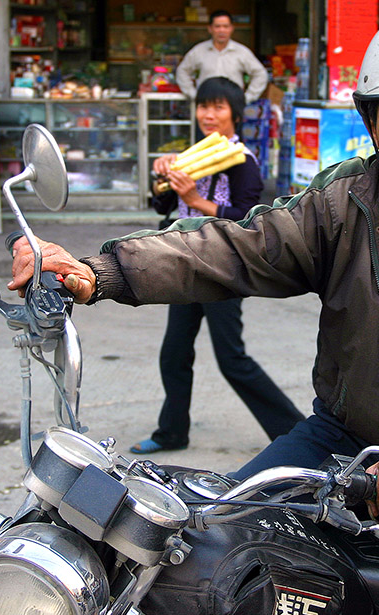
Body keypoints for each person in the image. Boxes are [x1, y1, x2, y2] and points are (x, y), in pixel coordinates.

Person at [10, 13, 379, 615]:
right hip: (347, 433)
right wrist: (99, 271)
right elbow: (236, 246)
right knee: (200, 548)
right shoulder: (342, 199)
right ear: (373, 122)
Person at [133, 77, 304, 454]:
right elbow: (165, 207)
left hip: (224, 266)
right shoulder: (192, 154)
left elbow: (249, 217)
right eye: (203, 106)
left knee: (232, 359)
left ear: (235, 115)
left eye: (218, 107)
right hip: (182, 261)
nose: (209, 114)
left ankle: (297, 434)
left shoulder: (243, 161)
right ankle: (172, 432)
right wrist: (163, 179)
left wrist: (196, 198)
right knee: (174, 352)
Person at [175, 10, 268, 105]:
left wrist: (247, 97)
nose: (222, 30)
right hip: (207, 104)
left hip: (233, 105)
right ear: (210, 29)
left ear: (231, 28)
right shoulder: (199, 51)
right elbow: (182, 71)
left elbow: (260, 74)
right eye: (217, 26)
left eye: (226, 26)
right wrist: (193, 95)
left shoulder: (242, 52)